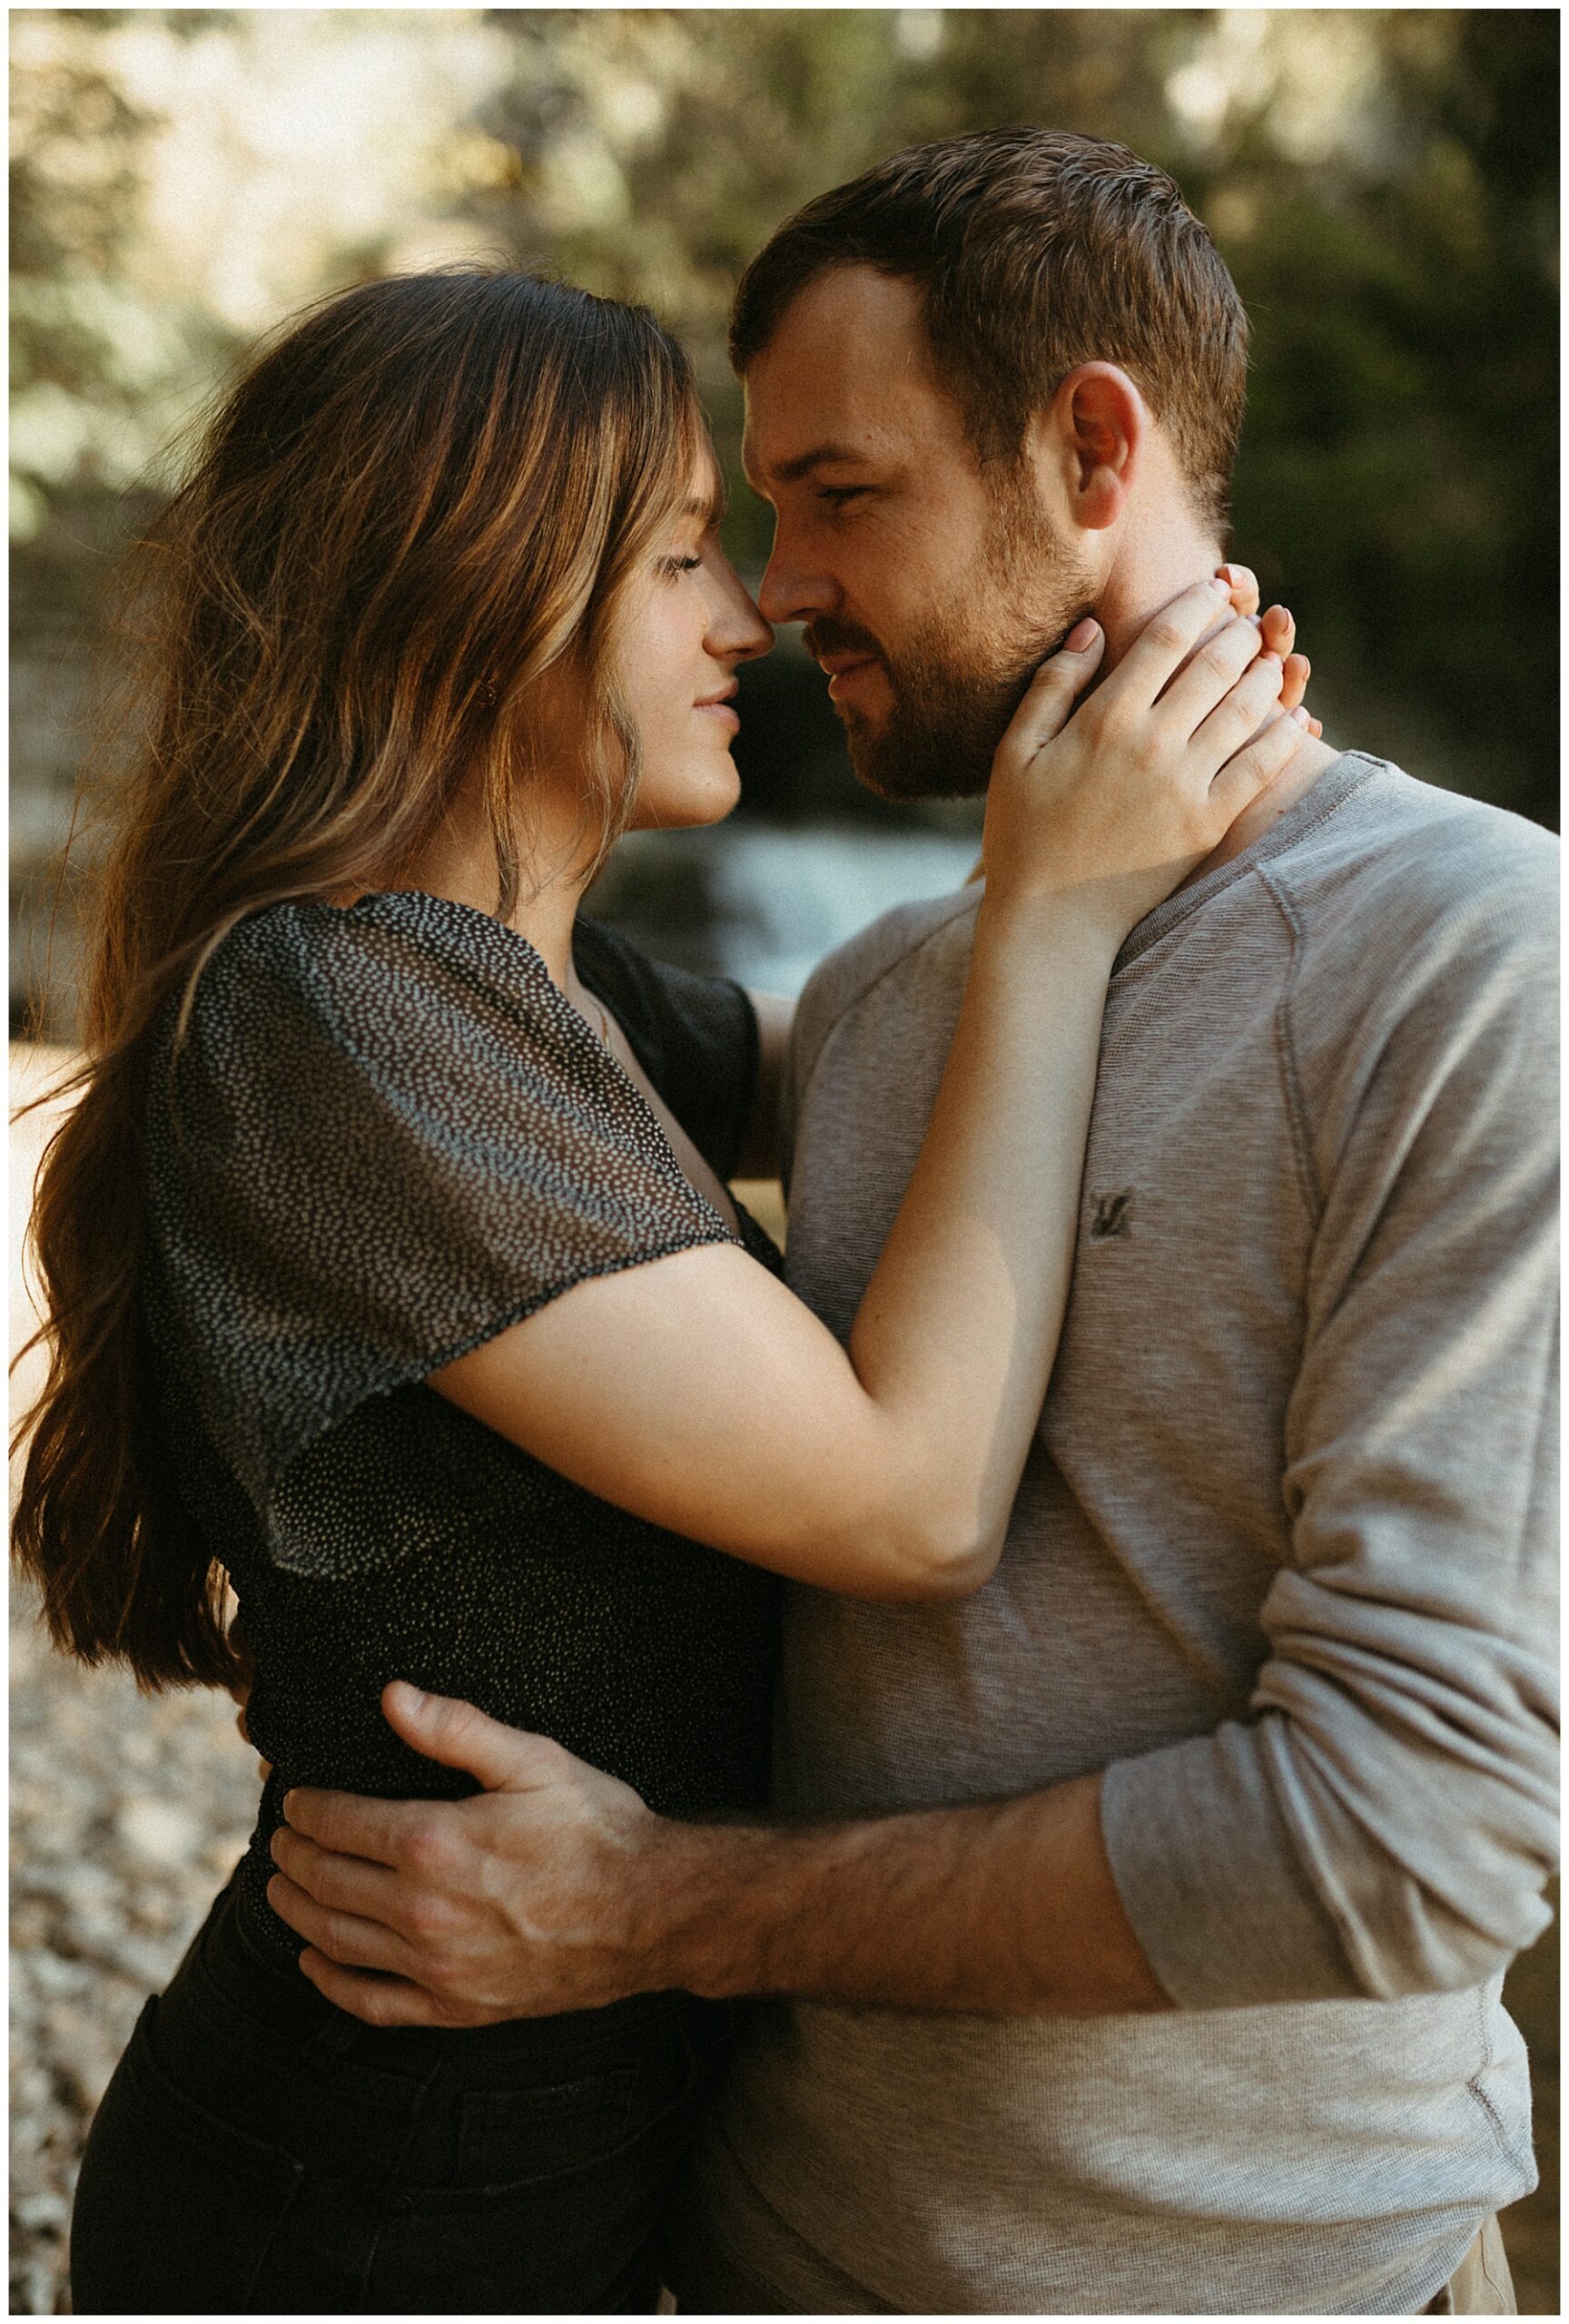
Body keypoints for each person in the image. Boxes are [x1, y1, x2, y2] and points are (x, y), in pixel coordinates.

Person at [270, 133, 1558, 2317]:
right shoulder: (892, 995)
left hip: (1263, 2279)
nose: (778, 589)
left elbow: (1413, 1835)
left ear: (1088, 445)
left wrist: (653, 1908)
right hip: (775, 2246)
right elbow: (464, 1023)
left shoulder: (1479, 960)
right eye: (754, 519)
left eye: (839, 495)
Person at [14, 261, 1308, 2315]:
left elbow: (900, 1058)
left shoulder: (549, 994)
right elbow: (911, 1499)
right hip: (383, 2178)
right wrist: (1053, 910)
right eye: (685, 556)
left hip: (565, 2113)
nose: (749, 619)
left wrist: (1151, 788)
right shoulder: (345, 1017)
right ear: (482, 590)